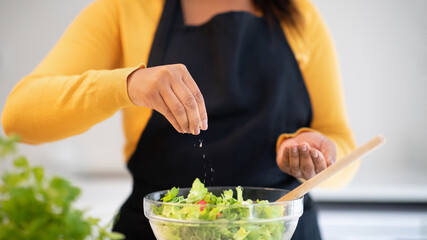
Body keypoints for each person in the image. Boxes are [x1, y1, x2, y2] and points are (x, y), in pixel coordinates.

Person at [1, 0, 359, 239]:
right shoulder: (126, 8)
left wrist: (320, 155)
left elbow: (339, 144)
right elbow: (19, 116)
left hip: (280, 230)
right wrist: (126, 85)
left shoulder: (298, 15)